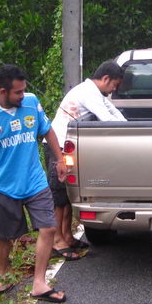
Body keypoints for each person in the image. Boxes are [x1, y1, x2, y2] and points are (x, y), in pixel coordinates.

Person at [0, 64, 67, 303]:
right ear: (3, 91)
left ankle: (39, 283)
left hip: (35, 180)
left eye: (23, 91)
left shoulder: (31, 102)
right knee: (4, 237)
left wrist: (60, 159)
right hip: (5, 186)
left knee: (48, 228)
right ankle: (3, 276)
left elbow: (48, 130)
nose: (23, 96)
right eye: (17, 93)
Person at [46, 60, 127, 258]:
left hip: (69, 148)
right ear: (106, 78)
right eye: (114, 85)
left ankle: (66, 235)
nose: (113, 90)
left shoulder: (95, 92)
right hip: (58, 147)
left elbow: (113, 112)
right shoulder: (88, 92)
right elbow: (106, 118)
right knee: (59, 196)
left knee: (66, 196)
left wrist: (129, 125)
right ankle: (56, 241)